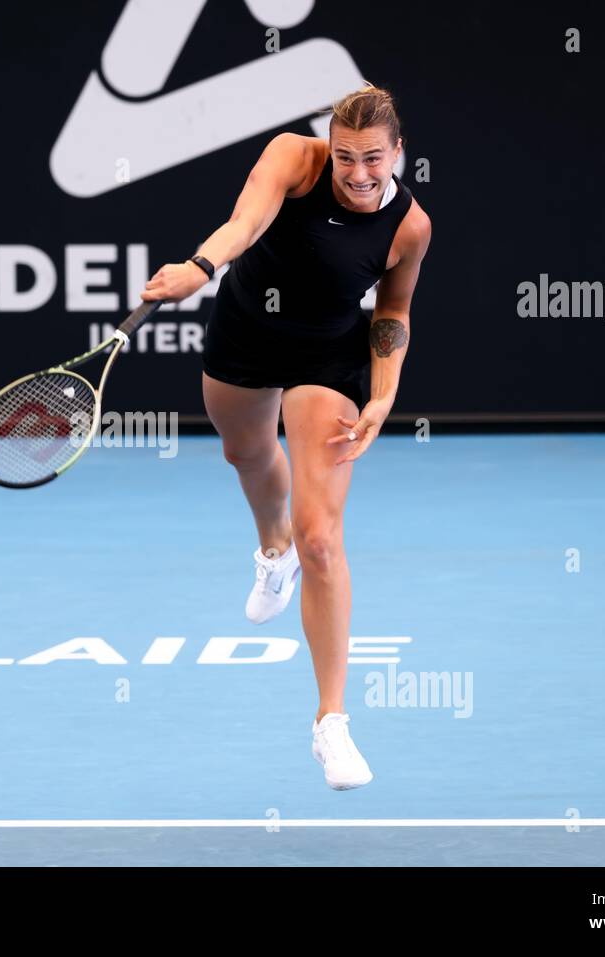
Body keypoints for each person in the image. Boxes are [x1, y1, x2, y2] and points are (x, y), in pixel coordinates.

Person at [140, 84, 431, 789]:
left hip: (329, 357)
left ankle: (331, 722)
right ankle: (272, 549)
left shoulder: (410, 226)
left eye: (372, 160)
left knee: (323, 537)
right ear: (326, 150)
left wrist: (385, 391)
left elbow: (392, 308)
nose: (358, 174)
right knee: (244, 452)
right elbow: (244, 224)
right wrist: (199, 268)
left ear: (398, 153)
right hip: (245, 333)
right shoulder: (292, 161)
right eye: (344, 159)